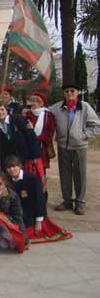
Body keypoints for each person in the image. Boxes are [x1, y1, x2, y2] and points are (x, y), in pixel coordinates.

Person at [50, 83, 100, 215]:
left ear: (77, 93)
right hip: (63, 146)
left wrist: (83, 136)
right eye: (67, 91)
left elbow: (96, 126)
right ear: (63, 93)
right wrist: (29, 111)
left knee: (80, 175)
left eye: (72, 91)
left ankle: (80, 202)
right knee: (64, 174)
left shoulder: (84, 107)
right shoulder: (57, 108)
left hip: (79, 147)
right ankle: (67, 201)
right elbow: (43, 113)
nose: (70, 93)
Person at [5, 156, 72, 244]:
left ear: (20, 166)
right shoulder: (8, 181)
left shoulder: (32, 179)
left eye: (14, 166)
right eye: (9, 167)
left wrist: (38, 221)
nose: (12, 169)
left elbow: (39, 200)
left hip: (31, 214)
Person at [0, 101, 44, 187]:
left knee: (27, 179)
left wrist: (35, 156)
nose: (0, 112)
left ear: (7, 110)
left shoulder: (17, 119)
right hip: (11, 158)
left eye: (2, 109)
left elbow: (31, 136)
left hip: (24, 156)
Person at [24, 92, 56, 174]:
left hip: (42, 148)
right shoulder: (27, 114)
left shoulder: (48, 115)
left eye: (36, 101)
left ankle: (41, 186)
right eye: (32, 101)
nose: (34, 103)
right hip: (28, 147)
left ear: (41, 103)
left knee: (40, 170)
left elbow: (50, 132)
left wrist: (38, 139)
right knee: (29, 169)